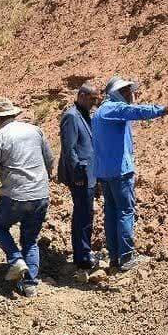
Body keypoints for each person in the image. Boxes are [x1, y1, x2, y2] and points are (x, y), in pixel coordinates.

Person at [91, 76, 168, 272]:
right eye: (127, 91)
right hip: (119, 172)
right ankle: (127, 257)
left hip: (105, 173)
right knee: (125, 211)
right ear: (116, 93)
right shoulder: (114, 108)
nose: (131, 95)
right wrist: (162, 109)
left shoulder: (99, 113)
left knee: (112, 214)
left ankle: (114, 258)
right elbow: (136, 111)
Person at [0, 97, 55, 298]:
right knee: (30, 240)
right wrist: (44, 179)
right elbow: (49, 159)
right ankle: (29, 285)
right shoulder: (35, 130)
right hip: (40, 195)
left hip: (15, 196)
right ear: (14, 114)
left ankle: (15, 259)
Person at [57, 84, 100, 270]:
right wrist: (77, 174)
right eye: (92, 99)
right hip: (80, 176)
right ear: (81, 95)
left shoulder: (83, 114)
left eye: (96, 100)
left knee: (87, 213)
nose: (94, 103)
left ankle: (84, 252)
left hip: (88, 174)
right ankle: (82, 257)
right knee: (83, 215)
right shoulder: (71, 116)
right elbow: (69, 149)